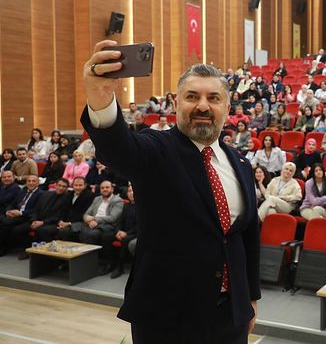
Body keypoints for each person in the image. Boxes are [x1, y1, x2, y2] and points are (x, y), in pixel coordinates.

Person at [83, 44, 260, 342]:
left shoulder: (240, 164)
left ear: (227, 110)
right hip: (167, 320)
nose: (203, 105)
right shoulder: (157, 150)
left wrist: (250, 298)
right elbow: (120, 149)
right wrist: (101, 98)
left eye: (213, 98)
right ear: (176, 104)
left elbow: (246, 237)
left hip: (230, 316)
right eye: (192, 97)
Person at [14, 179, 71, 257]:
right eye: (59, 185)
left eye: (64, 186)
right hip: (38, 220)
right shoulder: (45, 194)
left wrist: (43, 222)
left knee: (41, 230)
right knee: (18, 229)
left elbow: (59, 216)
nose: (61, 188)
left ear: (67, 188)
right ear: (55, 185)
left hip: (52, 223)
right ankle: (27, 250)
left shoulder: (67, 199)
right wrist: (34, 220)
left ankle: (43, 254)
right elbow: (36, 209)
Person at [101, 183, 138, 278]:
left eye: (133, 191)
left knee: (125, 240)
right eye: (129, 191)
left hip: (135, 233)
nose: (131, 193)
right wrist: (118, 230)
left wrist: (126, 233)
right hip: (123, 231)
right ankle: (109, 263)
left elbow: (141, 225)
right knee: (107, 236)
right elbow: (120, 220)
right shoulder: (127, 205)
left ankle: (119, 266)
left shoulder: (143, 207)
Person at [0, 175, 42, 256]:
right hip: (15, 215)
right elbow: (12, 203)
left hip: (27, 217)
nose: (31, 183)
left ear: (38, 183)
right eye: (29, 181)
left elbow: (36, 210)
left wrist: (21, 213)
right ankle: (3, 248)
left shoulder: (41, 194)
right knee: (4, 225)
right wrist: (8, 211)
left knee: (5, 223)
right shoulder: (23, 191)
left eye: (33, 181)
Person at [50, 177, 94, 242]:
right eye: (76, 185)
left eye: (80, 185)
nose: (78, 188)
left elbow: (84, 213)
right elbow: (63, 210)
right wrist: (61, 221)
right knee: (49, 229)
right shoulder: (69, 194)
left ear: (85, 186)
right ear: (72, 185)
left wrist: (69, 223)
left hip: (80, 222)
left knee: (65, 231)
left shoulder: (90, 196)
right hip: (66, 222)